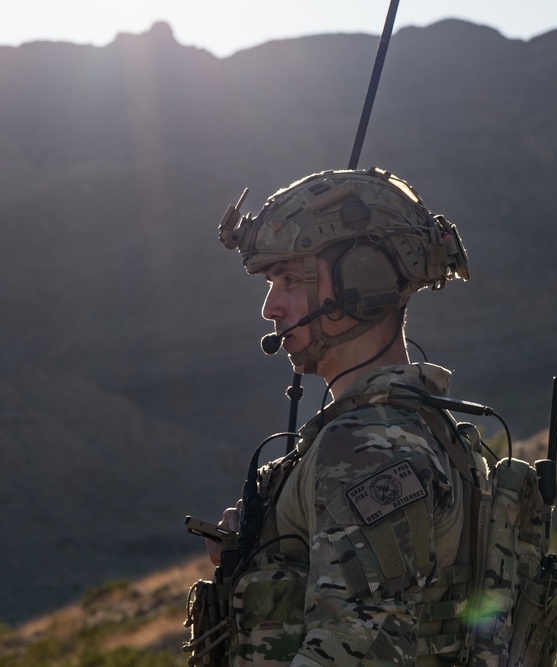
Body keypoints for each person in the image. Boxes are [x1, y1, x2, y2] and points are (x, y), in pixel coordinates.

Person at [199, 166, 473, 666]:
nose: (271, 307)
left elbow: (361, 648)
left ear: (361, 279)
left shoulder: (369, 447)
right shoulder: (415, 427)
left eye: (287, 278)